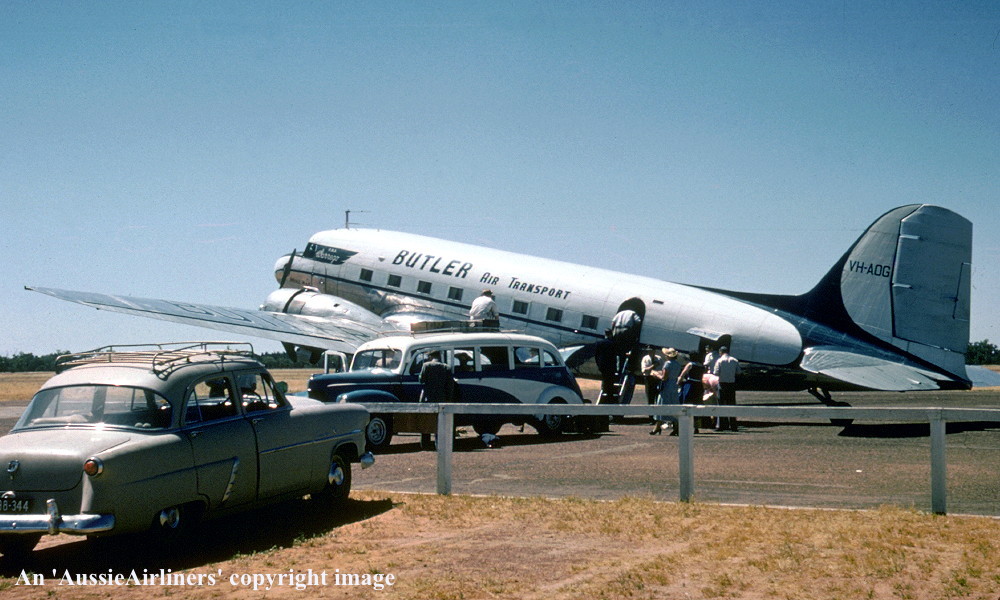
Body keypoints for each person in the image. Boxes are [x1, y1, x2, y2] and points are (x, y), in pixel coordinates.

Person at [418, 351, 455, 448]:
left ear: (431, 356)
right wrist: (448, 399)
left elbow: (421, 380)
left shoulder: (426, 365)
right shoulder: (446, 367)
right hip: (441, 398)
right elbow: (450, 386)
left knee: (426, 422)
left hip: (427, 399)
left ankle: (425, 444)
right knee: (440, 423)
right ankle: (438, 444)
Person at [651, 348, 683, 435]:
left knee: (661, 404)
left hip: (667, 386)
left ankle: (657, 427)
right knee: (674, 404)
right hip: (674, 385)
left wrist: (656, 374)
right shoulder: (677, 364)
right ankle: (676, 427)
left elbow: (664, 378)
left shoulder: (667, 364)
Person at [712, 345, 741, 432]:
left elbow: (716, 373)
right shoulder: (734, 360)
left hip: (722, 384)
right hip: (731, 384)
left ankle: (722, 425)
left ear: (720, 352)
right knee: (731, 404)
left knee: (721, 405)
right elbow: (739, 372)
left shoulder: (719, 360)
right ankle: (733, 425)